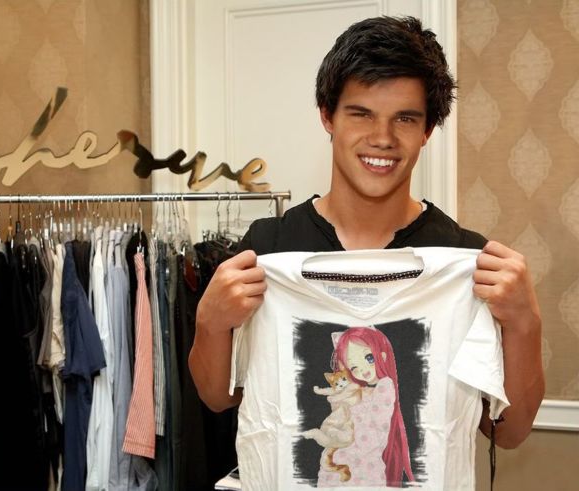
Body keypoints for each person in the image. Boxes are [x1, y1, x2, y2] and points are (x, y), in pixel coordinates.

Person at [189, 15, 544, 451]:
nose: (382, 138)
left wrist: (525, 323)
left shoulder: (466, 260)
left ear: (427, 131)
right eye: (361, 114)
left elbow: (508, 433)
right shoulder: (268, 249)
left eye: (405, 119)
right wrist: (210, 322)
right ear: (328, 116)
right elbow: (218, 397)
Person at [311, 327, 414, 487]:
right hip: (339, 465)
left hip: (362, 469)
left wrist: (342, 439)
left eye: (369, 357)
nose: (362, 370)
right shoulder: (360, 390)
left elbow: (372, 437)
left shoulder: (385, 386)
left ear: (382, 356)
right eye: (354, 367)